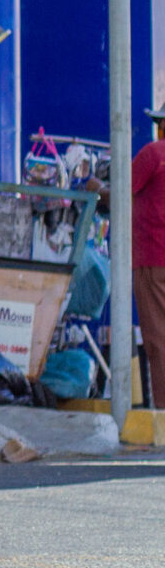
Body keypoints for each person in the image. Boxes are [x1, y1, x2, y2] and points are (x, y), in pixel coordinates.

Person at [131, 107, 165, 413]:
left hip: (154, 259)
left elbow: (119, 193)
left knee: (158, 340)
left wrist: (95, 188)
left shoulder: (153, 154)